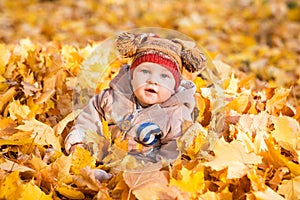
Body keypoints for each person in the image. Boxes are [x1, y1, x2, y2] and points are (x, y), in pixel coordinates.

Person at [64, 32, 206, 163]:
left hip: (142, 164)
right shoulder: (113, 97)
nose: (153, 80)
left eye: (164, 76)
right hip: (103, 155)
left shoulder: (174, 116)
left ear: (175, 86)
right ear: (132, 77)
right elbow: (89, 116)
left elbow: (173, 149)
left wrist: (156, 167)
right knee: (89, 172)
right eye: (145, 71)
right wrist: (80, 139)